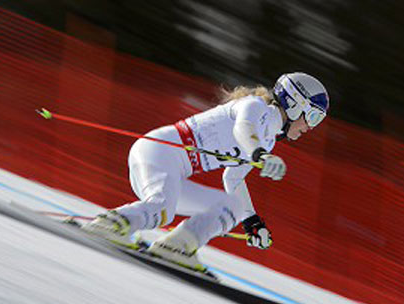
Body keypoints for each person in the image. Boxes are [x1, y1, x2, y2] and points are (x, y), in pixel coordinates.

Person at [81, 72, 329, 273]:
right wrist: (259, 155)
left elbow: (232, 179)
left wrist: (252, 222)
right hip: (159, 152)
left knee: (231, 205)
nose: (310, 127)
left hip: (175, 169)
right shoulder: (254, 107)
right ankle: (111, 223)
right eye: (314, 117)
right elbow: (243, 129)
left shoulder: (268, 140)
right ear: (295, 104)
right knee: (161, 209)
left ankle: (178, 246)